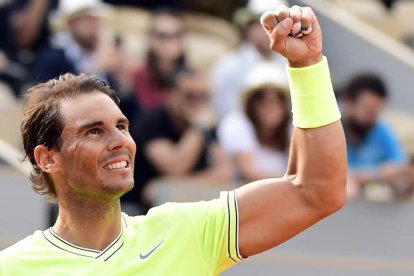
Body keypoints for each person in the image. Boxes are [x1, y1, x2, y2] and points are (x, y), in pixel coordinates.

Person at [0, 5, 346, 275]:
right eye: (94, 131)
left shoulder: (186, 230)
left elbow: (316, 190)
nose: (120, 140)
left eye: (122, 126)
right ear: (47, 158)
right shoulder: (13, 268)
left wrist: (307, 66)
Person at [125, 68, 231, 214]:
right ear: (170, 95)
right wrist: (197, 128)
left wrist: (167, 185)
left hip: (182, 203)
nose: (197, 102)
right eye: (189, 96)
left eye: (203, 96)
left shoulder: (205, 123)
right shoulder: (151, 121)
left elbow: (224, 172)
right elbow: (175, 168)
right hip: (139, 208)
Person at [211, 0, 287, 119]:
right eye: (265, 25)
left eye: (279, 24)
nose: (273, 30)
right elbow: (226, 116)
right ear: (249, 28)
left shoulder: (291, 64)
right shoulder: (229, 67)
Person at [341, 73, 412, 198]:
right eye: (368, 110)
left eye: (376, 111)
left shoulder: (381, 129)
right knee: (348, 188)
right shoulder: (328, 128)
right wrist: (376, 174)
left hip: (369, 197)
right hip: (336, 200)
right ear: (348, 102)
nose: (372, 118)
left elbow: (399, 166)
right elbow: (331, 176)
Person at [218, 62, 290, 182]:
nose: (270, 105)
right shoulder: (236, 123)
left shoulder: (290, 131)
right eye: (261, 98)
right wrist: (291, 181)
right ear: (250, 103)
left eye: (278, 99)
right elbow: (248, 174)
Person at [132, 8, 188, 110]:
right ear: (150, 39)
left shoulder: (191, 78)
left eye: (176, 35)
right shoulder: (136, 76)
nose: (170, 42)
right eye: (162, 36)